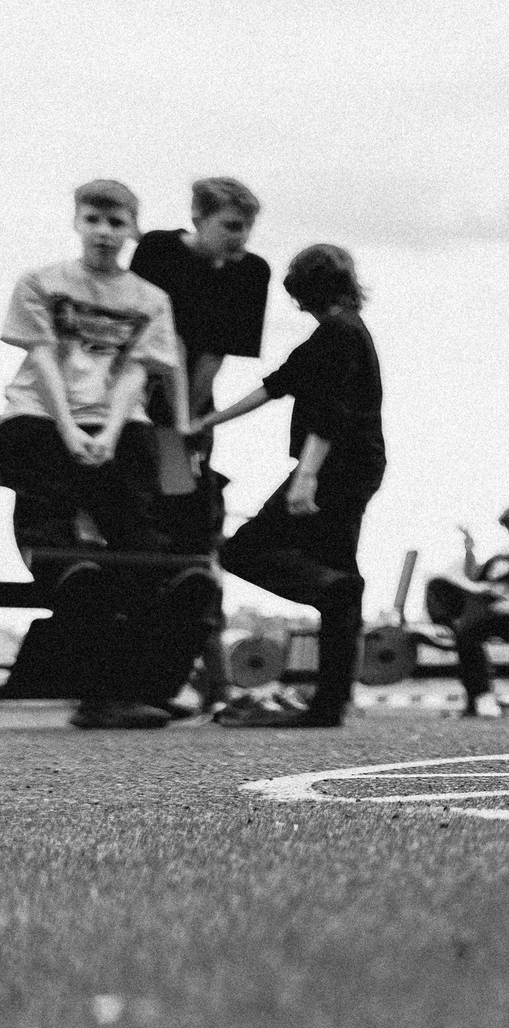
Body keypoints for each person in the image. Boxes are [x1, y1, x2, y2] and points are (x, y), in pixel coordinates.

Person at [196, 245, 385, 728]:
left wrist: (307, 476)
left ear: (303, 292)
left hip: (335, 465)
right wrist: (205, 421)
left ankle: (336, 591)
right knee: (337, 578)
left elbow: (332, 413)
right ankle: (329, 704)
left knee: (243, 551)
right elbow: (275, 385)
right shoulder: (337, 332)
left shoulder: (340, 333)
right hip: (354, 464)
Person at [0, 180, 192, 607]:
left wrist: (108, 433)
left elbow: (136, 373)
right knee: (43, 487)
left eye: (116, 223)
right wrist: (68, 429)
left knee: (134, 492)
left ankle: (155, 579)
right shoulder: (41, 283)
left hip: (114, 416)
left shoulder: (150, 299)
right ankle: (63, 569)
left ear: (131, 230)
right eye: (93, 220)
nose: (104, 231)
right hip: (43, 411)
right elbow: (45, 358)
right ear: (77, 222)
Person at [130, 176, 270, 712]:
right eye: (231, 227)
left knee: (190, 530)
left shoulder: (250, 272)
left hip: (184, 413)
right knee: (138, 526)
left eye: (248, 227)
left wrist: (187, 421)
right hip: (132, 398)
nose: (241, 238)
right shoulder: (159, 251)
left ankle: (208, 678)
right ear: (199, 217)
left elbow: (216, 351)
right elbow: (141, 334)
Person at [432, 502, 509, 716]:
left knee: (467, 631)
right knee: (437, 585)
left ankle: (481, 696)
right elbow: (473, 577)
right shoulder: (501, 556)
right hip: (483, 602)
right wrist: (469, 549)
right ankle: (449, 627)